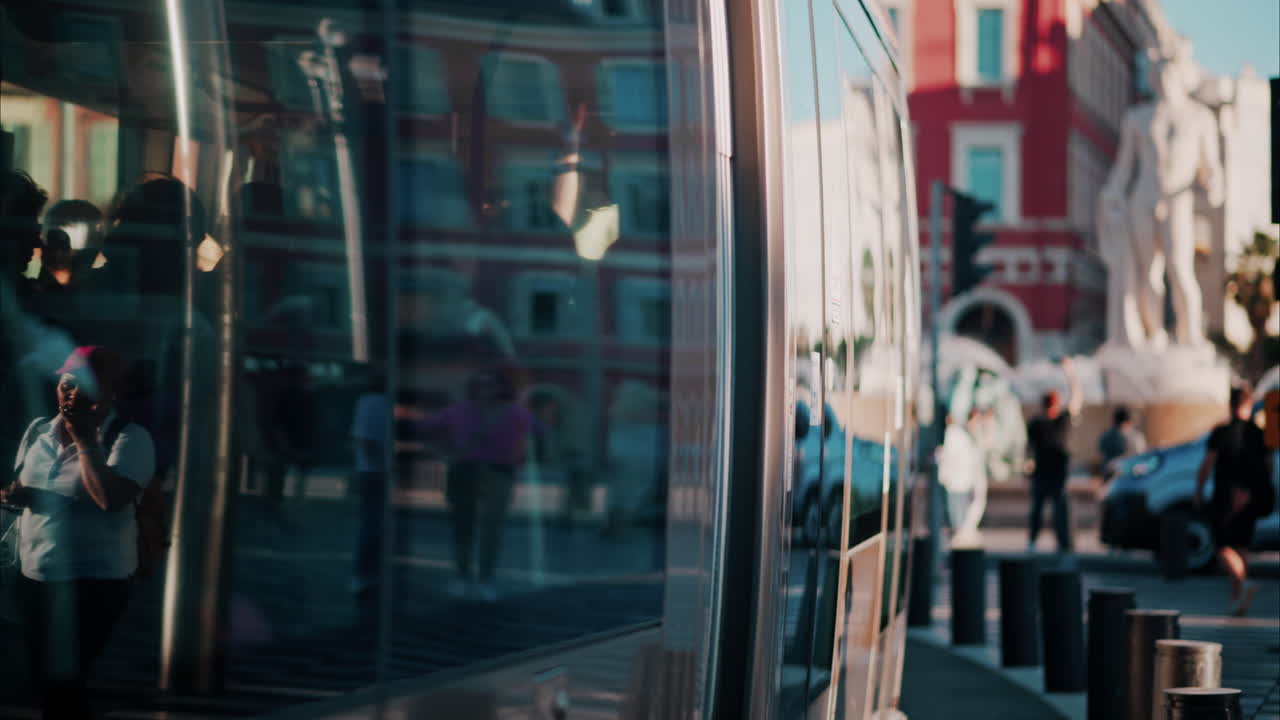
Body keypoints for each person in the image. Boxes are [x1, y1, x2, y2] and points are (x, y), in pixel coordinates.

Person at [0, 346, 156, 719]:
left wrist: (86, 441)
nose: (70, 392)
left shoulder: (129, 438)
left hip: (95, 580)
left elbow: (111, 499)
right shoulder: (38, 431)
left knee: (64, 678)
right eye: (66, 383)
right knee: (47, 680)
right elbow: (22, 484)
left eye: (83, 384)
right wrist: (14, 494)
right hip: (37, 575)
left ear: (111, 392)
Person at [420, 370, 532, 602]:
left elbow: (537, 433)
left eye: (491, 384)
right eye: (481, 384)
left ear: (501, 387)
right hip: (464, 470)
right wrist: (445, 453)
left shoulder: (515, 412)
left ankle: (485, 578)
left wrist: (519, 458)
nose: (486, 389)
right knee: (463, 525)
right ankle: (462, 576)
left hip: (499, 472)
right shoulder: (459, 410)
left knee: (492, 527)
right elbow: (426, 428)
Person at [1195, 386, 1272, 616]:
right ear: (1248, 406)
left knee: (1222, 546)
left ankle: (1241, 584)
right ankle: (1238, 599)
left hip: (1226, 496)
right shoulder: (1258, 433)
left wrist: (1198, 489)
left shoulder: (1221, 432)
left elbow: (1207, 464)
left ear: (1230, 405)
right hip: (1250, 496)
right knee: (1242, 546)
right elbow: (1269, 466)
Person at [1025, 358, 1082, 554]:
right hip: (1051, 470)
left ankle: (1053, 542)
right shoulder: (1053, 422)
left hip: (1052, 471)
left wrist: (1070, 373)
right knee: (1047, 509)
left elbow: (1075, 397)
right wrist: (1070, 372)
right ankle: (1050, 542)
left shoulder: (1049, 422)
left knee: (1051, 509)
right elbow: (1075, 397)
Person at [349, 368, 389, 595]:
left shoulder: (370, 402)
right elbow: (365, 439)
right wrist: (379, 467)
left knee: (373, 524)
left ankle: (369, 572)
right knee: (371, 525)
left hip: (372, 469)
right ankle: (364, 573)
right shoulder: (372, 402)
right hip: (374, 471)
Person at [938, 409, 988, 547]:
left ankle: (963, 531)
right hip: (957, 477)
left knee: (963, 505)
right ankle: (960, 532)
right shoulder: (955, 434)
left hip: (964, 477)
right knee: (957, 507)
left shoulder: (961, 434)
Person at [1098, 406, 1147, 479]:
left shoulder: (1106, 435)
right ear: (1129, 421)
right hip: (1129, 475)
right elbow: (1141, 455)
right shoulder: (1136, 436)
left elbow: (1101, 453)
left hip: (1112, 474)